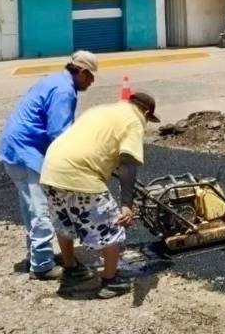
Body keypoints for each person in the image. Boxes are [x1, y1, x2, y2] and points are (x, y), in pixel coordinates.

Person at [39, 92, 160, 299]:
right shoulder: (134, 121)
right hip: (79, 173)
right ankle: (110, 281)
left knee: (64, 223)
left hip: (51, 168)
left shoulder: (101, 110)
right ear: (146, 113)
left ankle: (71, 270)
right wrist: (126, 205)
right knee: (112, 226)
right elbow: (128, 164)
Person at [0, 50, 98, 280]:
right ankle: (42, 266)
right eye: (91, 77)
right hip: (28, 152)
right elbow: (59, 133)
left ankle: (36, 255)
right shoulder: (65, 91)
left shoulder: (52, 80)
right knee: (42, 208)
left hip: (13, 149)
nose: (92, 82)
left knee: (30, 207)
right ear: (81, 72)